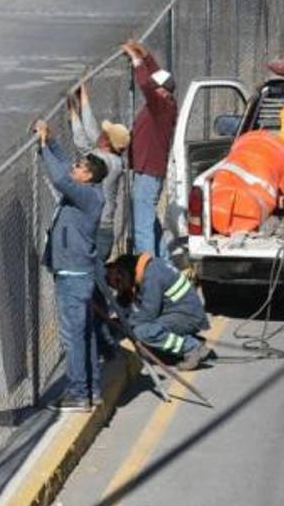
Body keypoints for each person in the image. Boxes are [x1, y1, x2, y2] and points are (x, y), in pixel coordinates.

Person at [35, 119, 108, 412]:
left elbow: (60, 178)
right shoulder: (85, 190)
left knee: (72, 337)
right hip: (76, 274)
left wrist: (42, 147)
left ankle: (78, 393)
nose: (74, 168)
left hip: (73, 277)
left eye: (80, 167)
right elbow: (65, 168)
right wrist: (51, 140)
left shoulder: (86, 195)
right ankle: (92, 389)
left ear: (88, 177)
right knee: (84, 334)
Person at [120, 39, 178, 259]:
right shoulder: (165, 101)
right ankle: (166, 265)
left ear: (162, 90)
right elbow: (155, 76)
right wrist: (144, 54)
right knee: (149, 222)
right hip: (148, 171)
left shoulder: (161, 105)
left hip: (149, 173)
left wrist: (136, 61)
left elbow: (146, 83)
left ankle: (147, 272)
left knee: (142, 229)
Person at [105, 252, 210, 371]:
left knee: (143, 332)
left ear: (122, 275)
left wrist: (125, 323)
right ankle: (189, 341)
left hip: (188, 317)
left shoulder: (152, 276)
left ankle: (191, 347)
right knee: (143, 332)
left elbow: (147, 315)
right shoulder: (150, 267)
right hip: (183, 313)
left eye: (118, 285)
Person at [68, 82, 129, 261]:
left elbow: (81, 140)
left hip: (98, 232)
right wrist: (83, 95)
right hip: (100, 229)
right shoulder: (110, 155)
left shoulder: (105, 162)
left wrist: (72, 110)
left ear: (107, 143)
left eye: (105, 133)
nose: (101, 133)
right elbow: (92, 129)